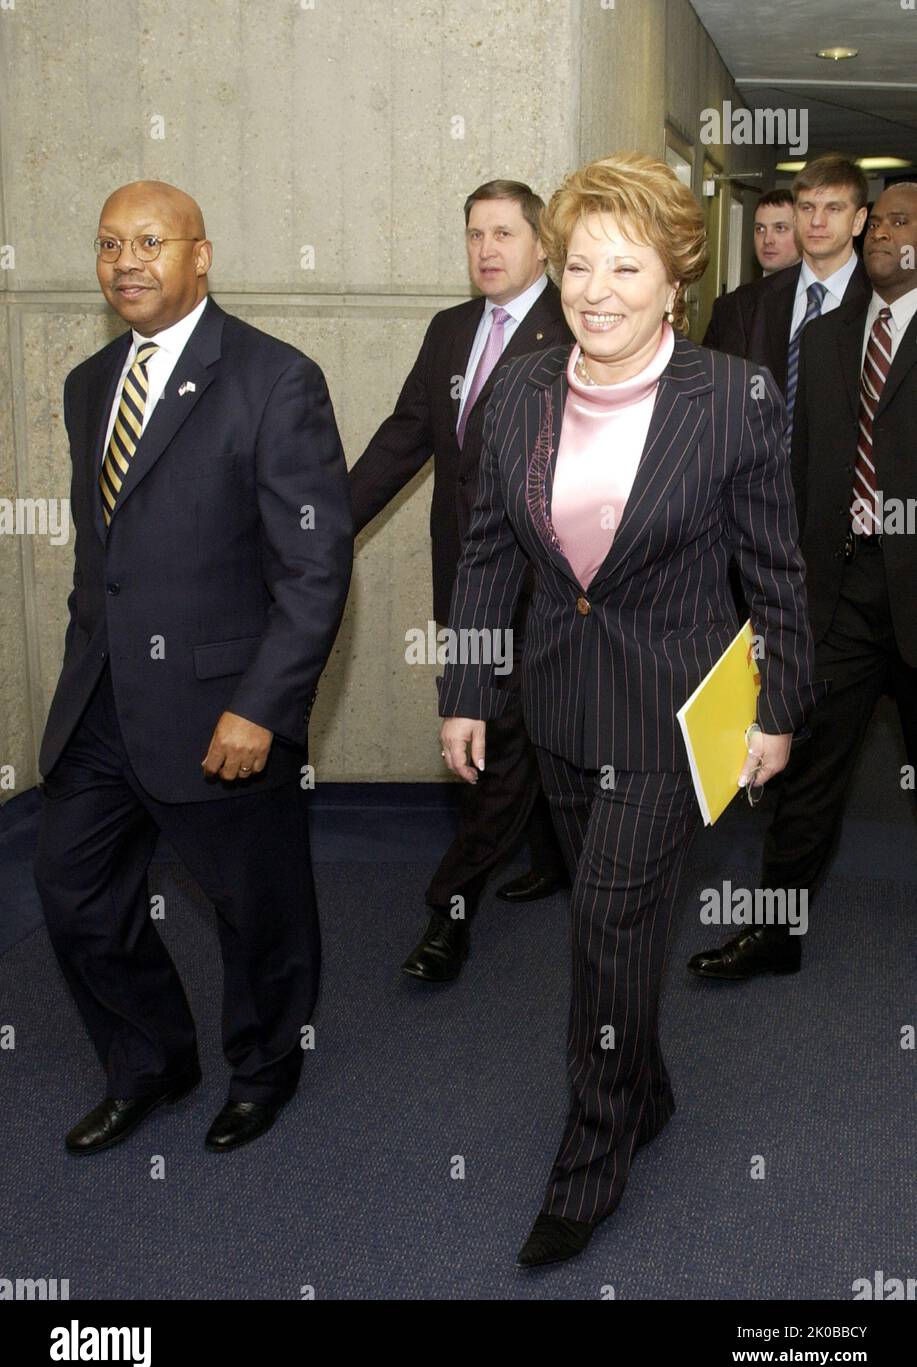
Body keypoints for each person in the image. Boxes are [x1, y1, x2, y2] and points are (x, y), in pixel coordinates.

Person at [437, 152, 822, 1267]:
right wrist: (467, 687)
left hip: (671, 714)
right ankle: (643, 1089)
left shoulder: (731, 397)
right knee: (613, 926)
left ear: (674, 283)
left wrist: (778, 708)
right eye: (577, 266)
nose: (594, 290)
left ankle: (589, 1157)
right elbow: (483, 553)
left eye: (625, 266)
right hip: (556, 703)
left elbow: (776, 572)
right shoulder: (520, 385)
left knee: (605, 926)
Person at [33, 181, 353, 1155]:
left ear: (200, 256)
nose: (126, 260)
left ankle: (264, 1068)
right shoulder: (90, 384)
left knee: (256, 912)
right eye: (107, 244)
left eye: (150, 241)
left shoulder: (274, 379)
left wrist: (262, 705)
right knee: (72, 890)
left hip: (223, 710)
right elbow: (110, 557)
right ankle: (152, 1061)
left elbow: (314, 566)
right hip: (101, 703)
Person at [689, 183, 917, 982]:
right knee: (808, 773)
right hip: (843, 597)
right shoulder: (823, 343)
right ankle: (773, 933)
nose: (888, 234)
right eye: (881, 220)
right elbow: (800, 472)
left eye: (902, 221)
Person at [349, 181, 570, 984]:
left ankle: (449, 911)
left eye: (504, 234)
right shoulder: (450, 330)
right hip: (467, 581)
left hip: (545, 587)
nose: (486, 250)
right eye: (474, 234)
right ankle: (551, 856)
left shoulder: (574, 329)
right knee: (503, 738)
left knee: (495, 744)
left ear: (542, 244)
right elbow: (405, 437)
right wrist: (325, 528)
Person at [744, 155, 870, 434]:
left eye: (833, 209)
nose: (816, 221)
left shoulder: (879, 304)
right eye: (807, 207)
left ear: (858, 220)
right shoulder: (754, 302)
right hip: (763, 471)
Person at [703, 190, 799, 355]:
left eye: (780, 228)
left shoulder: (814, 303)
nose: (768, 239)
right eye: (760, 229)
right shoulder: (728, 307)